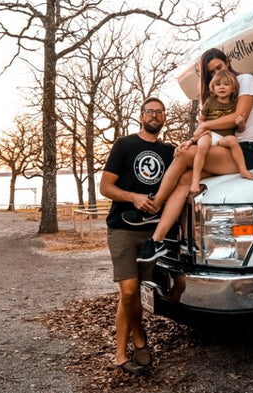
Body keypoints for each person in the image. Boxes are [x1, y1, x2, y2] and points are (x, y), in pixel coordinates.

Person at [129, 48, 253, 262]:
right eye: (211, 74)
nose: (216, 76)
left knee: (183, 157)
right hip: (223, 146)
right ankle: (156, 242)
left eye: (219, 68)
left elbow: (237, 118)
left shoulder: (245, 80)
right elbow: (209, 129)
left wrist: (204, 126)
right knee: (185, 177)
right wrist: (192, 139)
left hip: (249, 149)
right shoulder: (216, 96)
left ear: (228, 62)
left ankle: (155, 205)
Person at [99, 97, 174, 376]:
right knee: (129, 292)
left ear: (164, 117)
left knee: (131, 296)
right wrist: (133, 197)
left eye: (160, 111)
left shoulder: (169, 152)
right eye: (150, 111)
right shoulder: (124, 145)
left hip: (154, 235)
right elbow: (105, 186)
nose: (155, 115)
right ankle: (140, 340)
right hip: (122, 229)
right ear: (141, 116)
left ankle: (121, 355)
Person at [190, 69, 253, 193]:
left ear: (233, 89)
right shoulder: (210, 102)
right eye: (218, 84)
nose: (222, 87)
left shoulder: (235, 104)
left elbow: (241, 129)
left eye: (226, 84)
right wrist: (201, 131)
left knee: (233, 140)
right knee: (202, 145)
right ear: (213, 88)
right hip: (209, 134)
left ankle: (243, 170)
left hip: (223, 138)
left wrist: (241, 123)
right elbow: (202, 119)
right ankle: (195, 179)